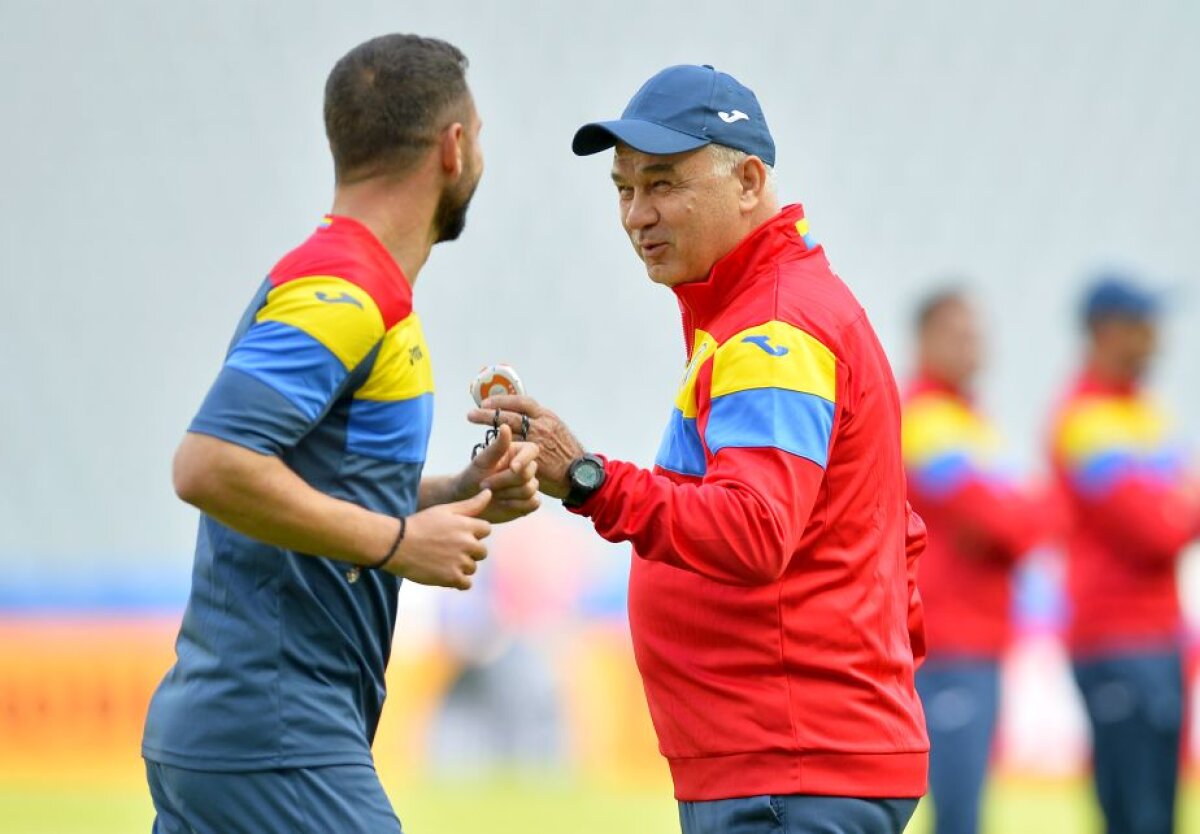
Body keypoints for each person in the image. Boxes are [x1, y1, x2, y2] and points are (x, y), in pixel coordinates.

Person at [471, 64, 928, 834]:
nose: (635, 214)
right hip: (798, 760)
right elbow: (898, 537)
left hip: (788, 770)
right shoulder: (765, 313)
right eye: (623, 189)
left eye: (663, 184)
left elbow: (753, 529)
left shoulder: (772, 331)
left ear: (748, 182)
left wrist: (584, 477)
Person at [140, 34, 540, 834]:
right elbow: (208, 464)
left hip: (252, 732)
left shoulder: (353, 284)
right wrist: (399, 542)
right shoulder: (344, 290)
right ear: (453, 149)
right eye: (480, 135)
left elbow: (307, 477)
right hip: (276, 734)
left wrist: (453, 493)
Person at [902, 289, 1061, 834]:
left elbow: (1028, 516)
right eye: (959, 334)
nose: (974, 346)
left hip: (980, 635)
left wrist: (1021, 515)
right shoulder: (924, 418)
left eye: (977, 334)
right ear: (925, 339)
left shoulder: (969, 419)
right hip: (947, 638)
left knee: (967, 803)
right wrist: (1022, 515)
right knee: (958, 808)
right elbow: (1002, 520)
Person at [1050, 275, 1199, 834]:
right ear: (1106, 331)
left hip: (1158, 635)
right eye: (1142, 325)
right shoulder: (1085, 419)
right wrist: (1177, 504)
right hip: (1114, 638)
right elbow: (1156, 531)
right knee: (1136, 812)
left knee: (1158, 811)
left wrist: (1176, 507)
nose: (1156, 338)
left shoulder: (1146, 412)